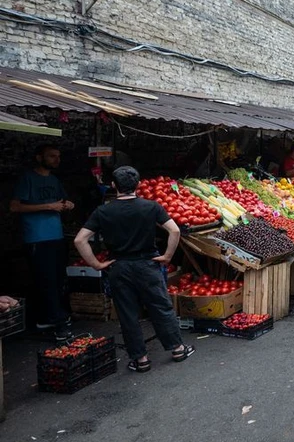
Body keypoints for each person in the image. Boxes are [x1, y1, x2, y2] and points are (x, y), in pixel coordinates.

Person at [73, 166, 194, 372]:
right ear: (138, 185)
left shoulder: (103, 211)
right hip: (147, 265)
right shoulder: (151, 206)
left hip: (119, 267)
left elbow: (80, 239)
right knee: (160, 306)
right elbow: (174, 231)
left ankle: (141, 360)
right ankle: (178, 349)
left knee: (127, 313)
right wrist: (166, 256)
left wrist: (96, 264)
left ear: (113, 185)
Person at [10, 144, 74, 340]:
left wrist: (68, 205)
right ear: (39, 158)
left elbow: (62, 201)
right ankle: (55, 321)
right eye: (52, 156)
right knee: (45, 280)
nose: (57, 160)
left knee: (58, 279)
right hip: (37, 237)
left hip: (56, 236)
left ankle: (52, 317)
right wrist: (48, 206)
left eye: (58, 156)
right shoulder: (27, 179)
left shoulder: (54, 180)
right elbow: (14, 207)